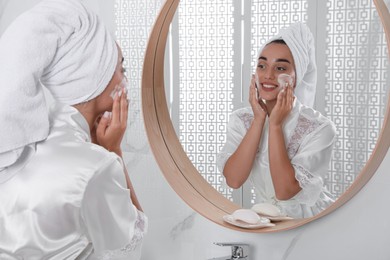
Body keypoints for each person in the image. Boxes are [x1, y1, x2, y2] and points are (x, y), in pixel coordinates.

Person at [0, 0, 147, 259]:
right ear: (95, 74)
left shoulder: (14, 151)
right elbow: (131, 245)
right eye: (120, 68)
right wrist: (114, 151)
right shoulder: (96, 165)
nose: (125, 80)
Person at [217, 23, 336, 219]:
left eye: (280, 67)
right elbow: (234, 179)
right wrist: (259, 120)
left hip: (315, 222)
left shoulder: (319, 128)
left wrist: (275, 125)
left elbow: (285, 191)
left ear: (297, 76)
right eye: (262, 65)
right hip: (268, 221)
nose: (268, 75)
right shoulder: (242, 119)